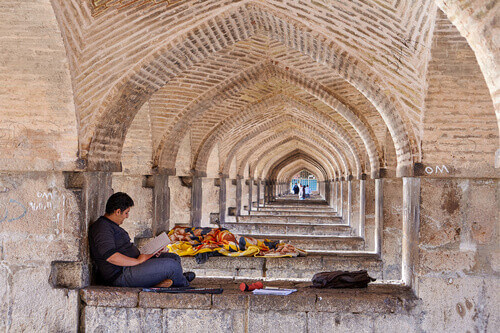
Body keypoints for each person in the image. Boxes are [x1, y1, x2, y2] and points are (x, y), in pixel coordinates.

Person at [89, 192, 195, 288]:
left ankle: (170, 280)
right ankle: (182, 283)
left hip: (133, 265)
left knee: (173, 257)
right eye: (126, 213)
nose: (127, 216)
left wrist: (151, 253)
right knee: (172, 266)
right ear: (117, 211)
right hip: (121, 274)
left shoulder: (111, 225)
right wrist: (138, 261)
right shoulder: (102, 228)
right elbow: (111, 257)